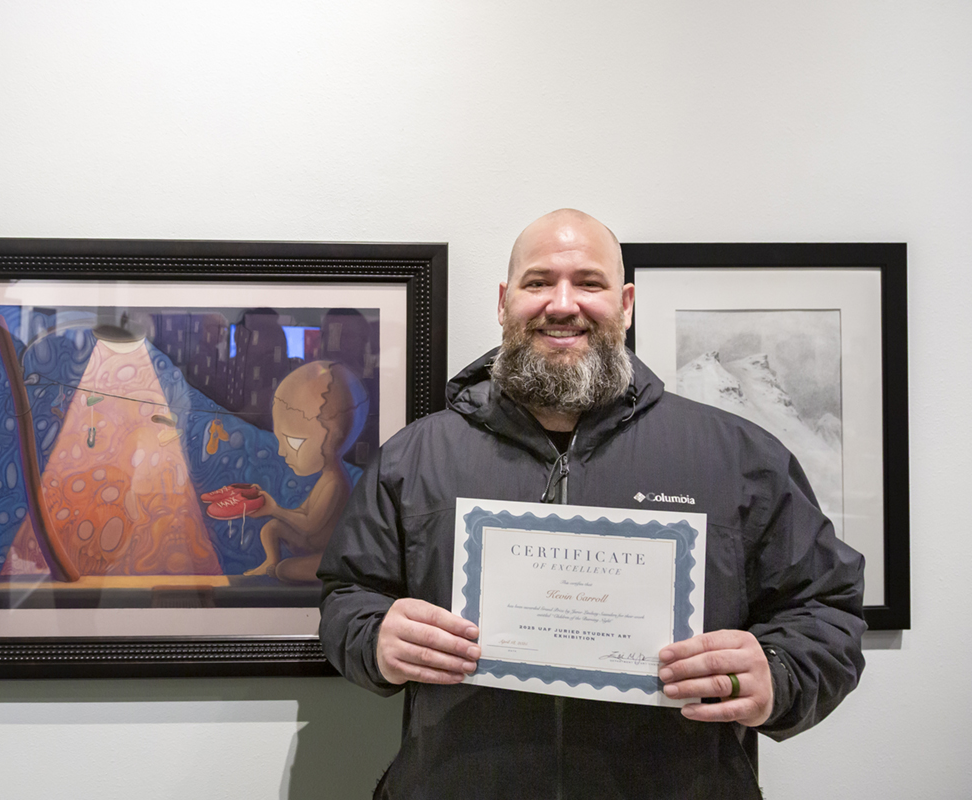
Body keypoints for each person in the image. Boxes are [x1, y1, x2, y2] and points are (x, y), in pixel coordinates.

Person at [317, 209, 866, 798]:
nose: (561, 303)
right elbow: (346, 597)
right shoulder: (414, 458)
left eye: (589, 282)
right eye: (537, 282)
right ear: (504, 302)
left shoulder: (738, 456)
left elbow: (827, 609)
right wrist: (375, 638)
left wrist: (777, 674)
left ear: (625, 304)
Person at [244, 360, 369, 582]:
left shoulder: (336, 483)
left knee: (285, 570)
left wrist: (276, 509)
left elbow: (311, 524)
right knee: (271, 528)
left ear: (334, 437)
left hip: (326, 552)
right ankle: (270, 562)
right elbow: (303, 515)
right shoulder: (326, 478)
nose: (282, 452)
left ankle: (278, 567)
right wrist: (272, 510)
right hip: (307, 541)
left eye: (293, 442)